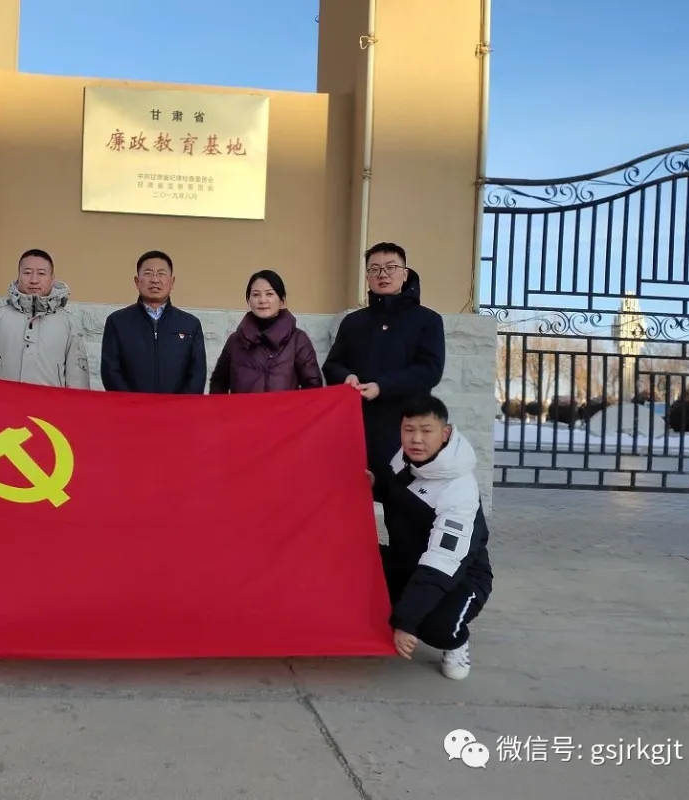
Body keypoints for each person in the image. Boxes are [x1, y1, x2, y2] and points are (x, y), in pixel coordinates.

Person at [367, 393, 492, 681]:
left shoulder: (459, 489)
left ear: (445, 433)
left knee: (435, 627)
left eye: (426, 431)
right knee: (348, 561)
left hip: (457, 575)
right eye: (409, 430)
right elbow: (398, 490)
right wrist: (374, 485)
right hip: (406, 562)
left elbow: (442, 561)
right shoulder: (403, 459)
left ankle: (456, 642)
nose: (416, 439)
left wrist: (407, 621)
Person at [323, 243, 445, 484]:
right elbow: (332, 364)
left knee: (402, 498)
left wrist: (382, 386)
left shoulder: (427, 320)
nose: (383, 275)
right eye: (375, 269)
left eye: (391, 267)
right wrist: (346, 377)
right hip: (357, 427)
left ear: (405, 274)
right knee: (353, 494)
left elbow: (430, 370)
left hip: (405, 427)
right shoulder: (353, 322)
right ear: (367, 277)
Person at [0, 248, 90, 389]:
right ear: (18, 276)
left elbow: (77, 377)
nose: (34, 280)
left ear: (52, 279)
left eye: (41, 273)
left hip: (49, 401)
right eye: (27, 273)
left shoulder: (67, 323)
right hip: (3, 398)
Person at [100, 250, 207, 394]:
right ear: (137, 281)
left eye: (161, 273)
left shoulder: (190, 324)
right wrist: (132, 403)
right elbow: (110, 371)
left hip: (177, 407)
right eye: (148, 273)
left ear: (172, 282)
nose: (155, 280)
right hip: (130, 406)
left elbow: (197, 374)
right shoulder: (117, 322)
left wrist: (180, 404)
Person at [209, 270, 323, 394]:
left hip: (285, 408)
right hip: (243, 407)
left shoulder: (298, 340)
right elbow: (218, 383)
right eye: (256, 295)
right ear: (248, 300)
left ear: (282, 300)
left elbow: (313, 386)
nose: (262, 300)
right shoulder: (235, 341)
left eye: (269, 294)